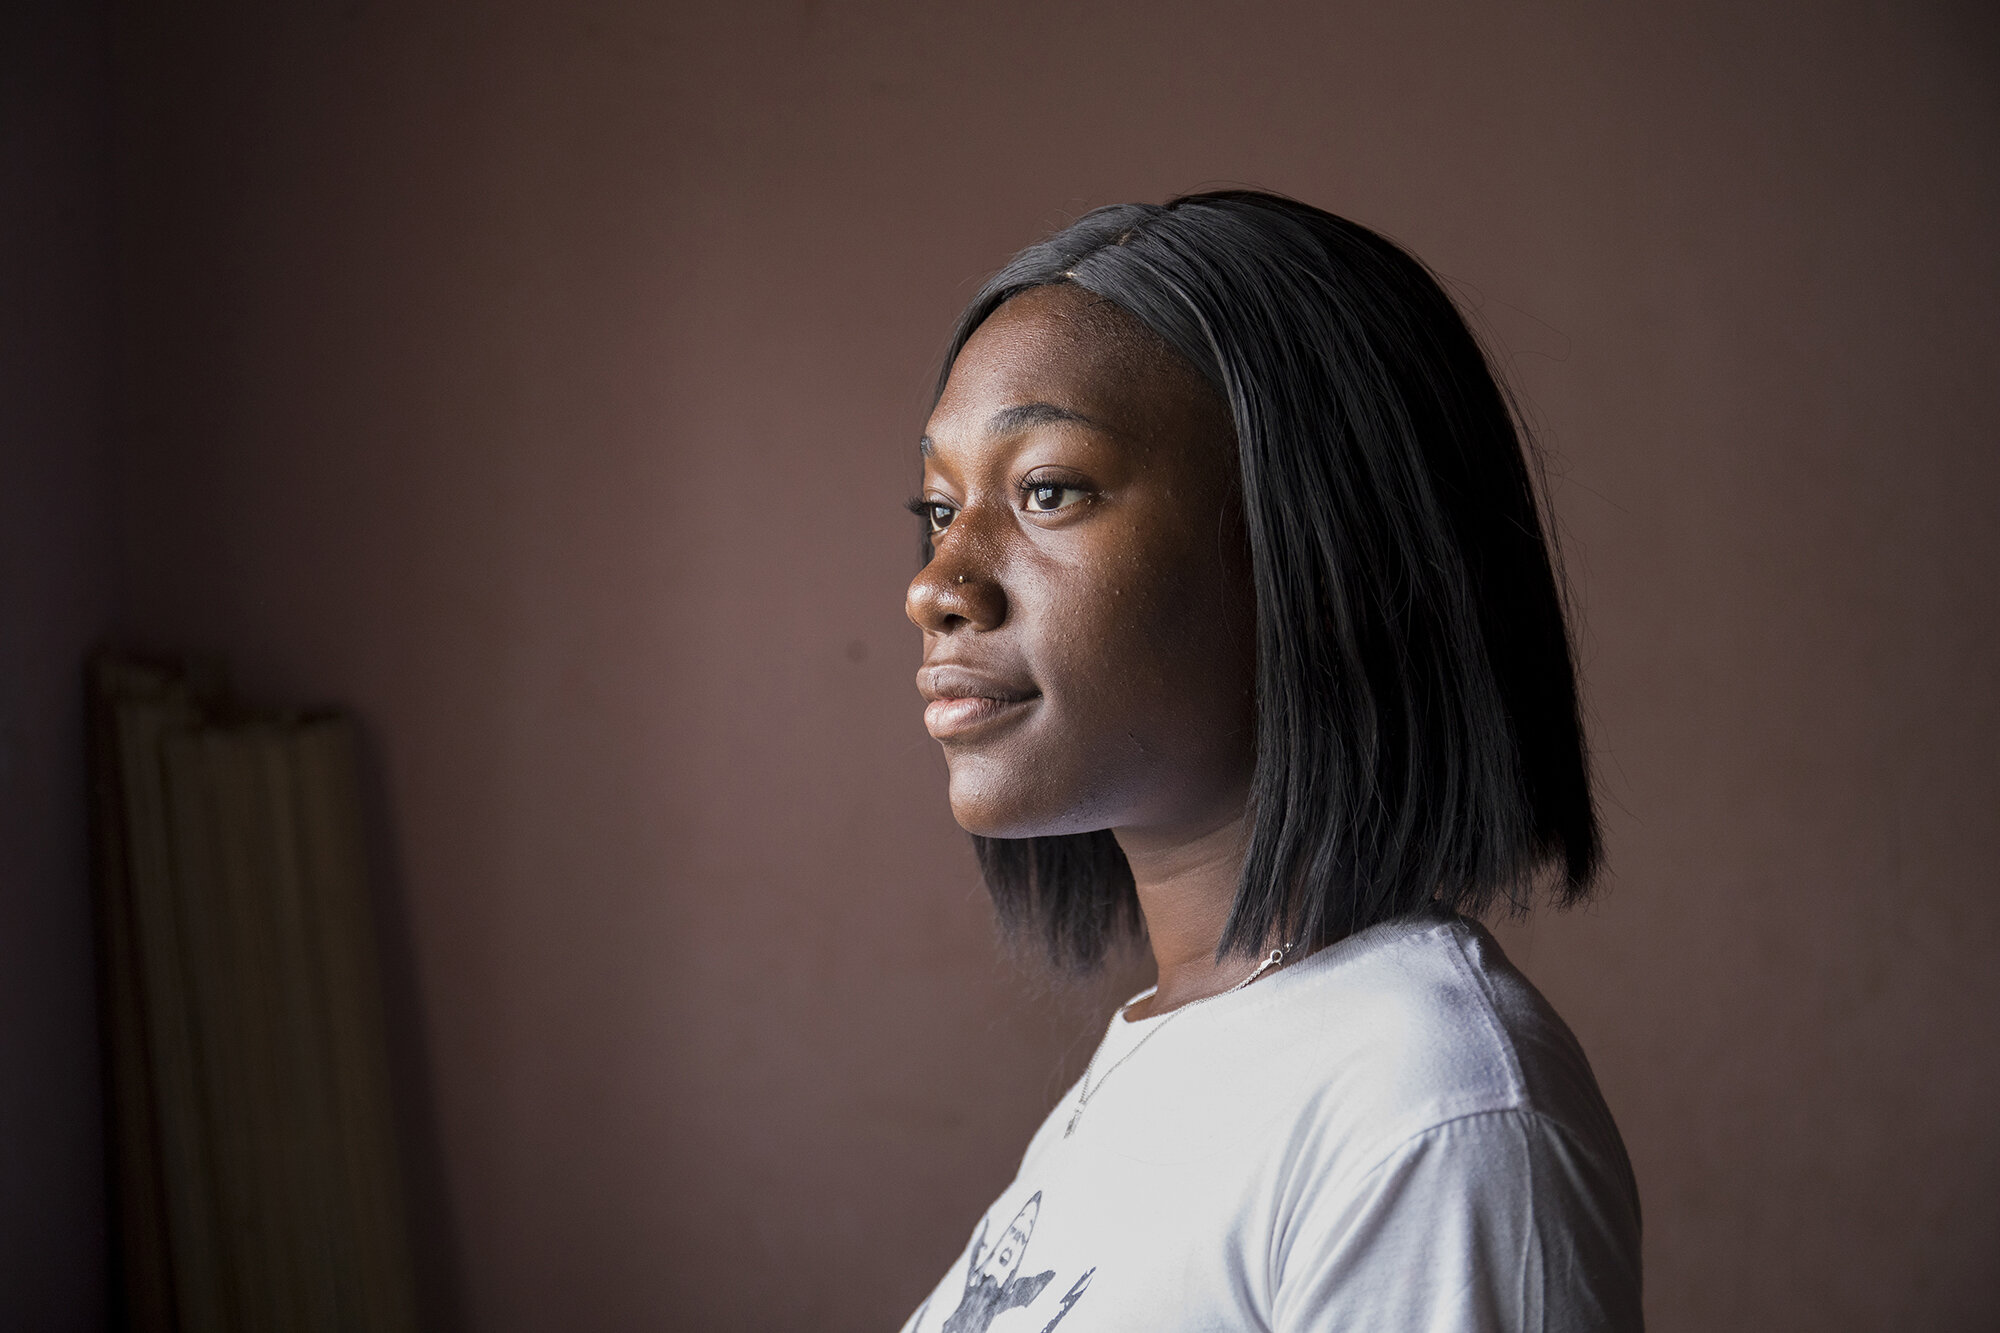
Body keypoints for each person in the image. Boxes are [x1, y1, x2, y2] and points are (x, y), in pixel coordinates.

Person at [898, 191, 1642, 1333]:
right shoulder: (1179, 1057)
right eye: (940, 508)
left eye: (1046, 490)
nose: (937, 586)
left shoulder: (1425, 1110)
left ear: (1314, 541)